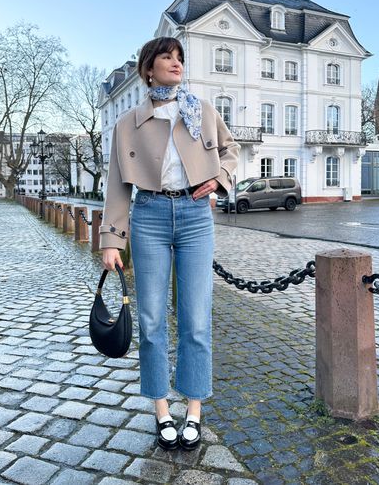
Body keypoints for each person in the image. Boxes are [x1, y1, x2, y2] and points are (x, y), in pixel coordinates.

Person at [100, 36, 240, 451]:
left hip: (196, 216)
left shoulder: (201, 110)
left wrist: (219, 178)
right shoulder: (129, 123)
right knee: (152, 320)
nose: (176, 63)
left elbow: (231, 152)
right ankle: (162, 411)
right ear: (148, 68)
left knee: (196, 319)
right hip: (149, 217)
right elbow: (116, 186)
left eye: (180, 57)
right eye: (167, 57)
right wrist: (112, 240)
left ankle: (193, 410)